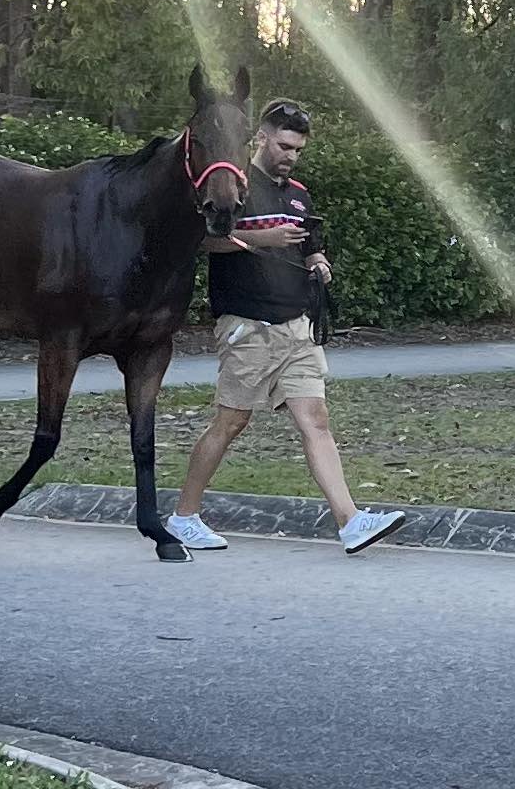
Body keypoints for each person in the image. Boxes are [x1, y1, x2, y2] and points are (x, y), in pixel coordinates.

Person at [165, 100, 407, 555]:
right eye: (282, 145)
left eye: (297, 149)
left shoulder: (298, 193)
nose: (289, 156)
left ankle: (350, 521)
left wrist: (317, 260)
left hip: (297, 325)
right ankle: (183, 517)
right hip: (247, 325)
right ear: (260, 137)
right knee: (231, 421)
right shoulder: (232, 184)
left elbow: (309, 240)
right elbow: (204, 241)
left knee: (315, 420)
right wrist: (263, 239)